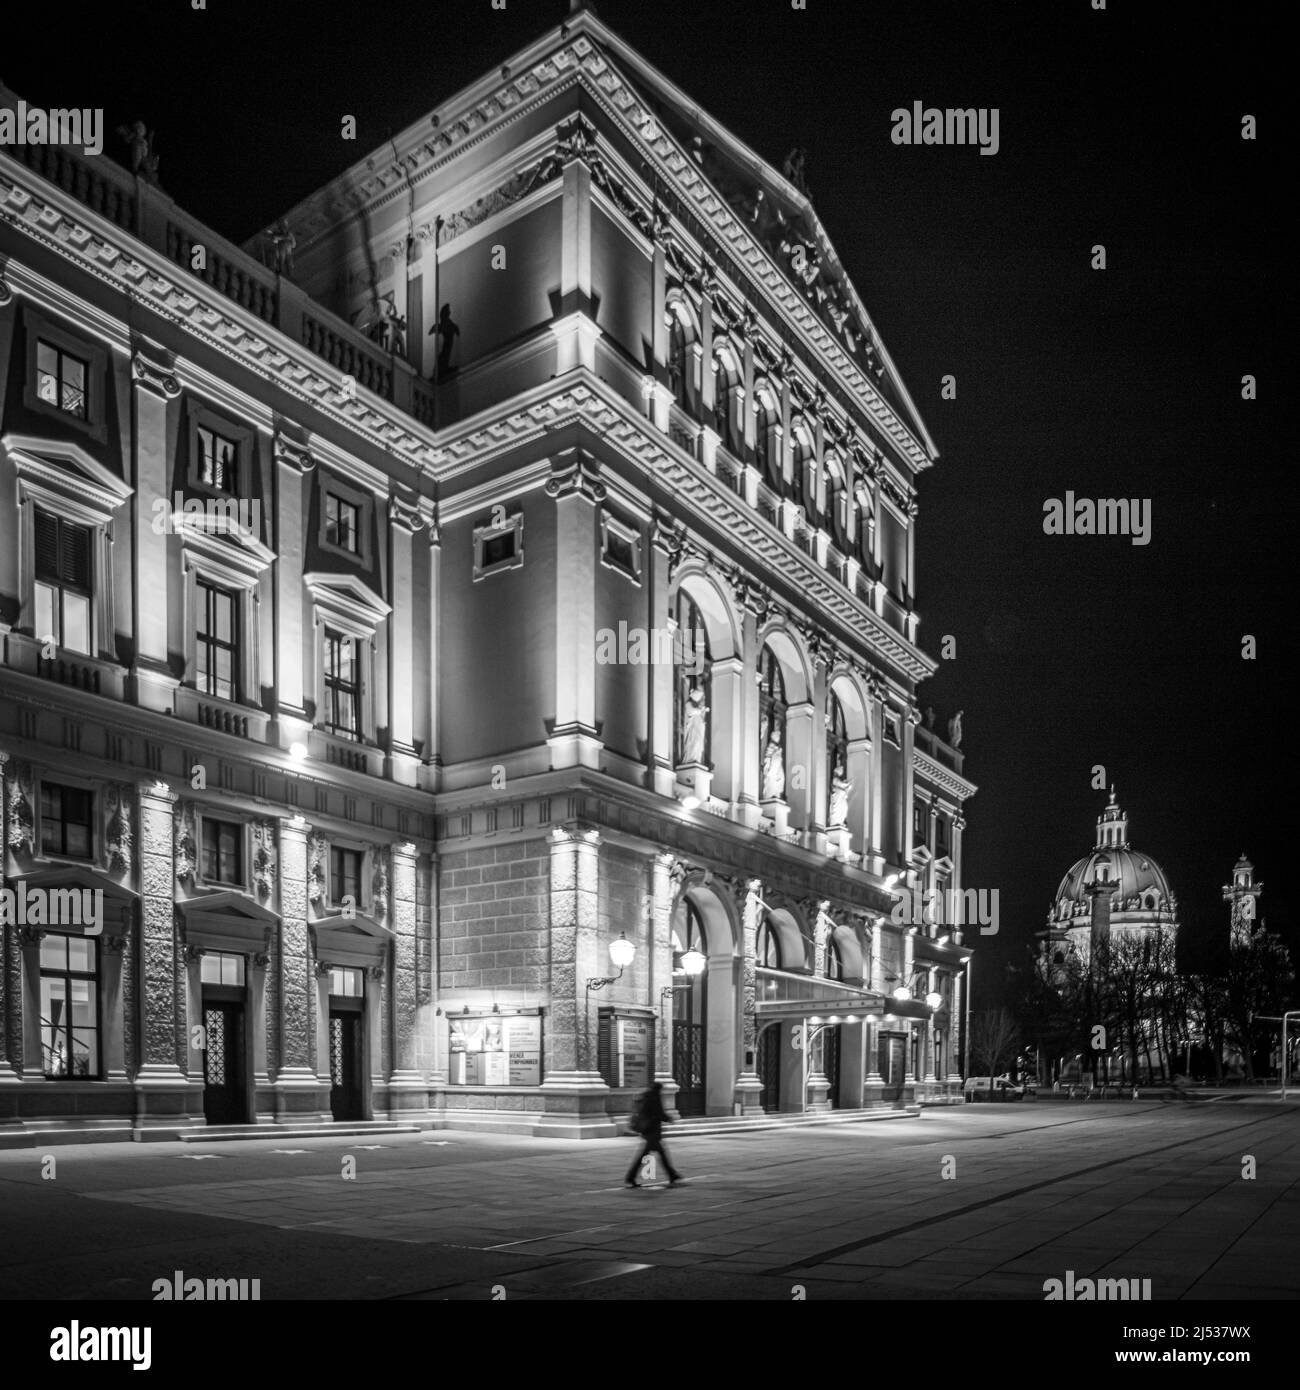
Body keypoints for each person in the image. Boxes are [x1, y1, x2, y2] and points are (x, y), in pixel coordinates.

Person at [625, 1081, 682, 1189]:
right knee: (649, 1155)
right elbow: (658, 1113)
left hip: (646, 1130)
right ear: (658, 1089)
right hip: (652, 1130)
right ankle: (630, 1177)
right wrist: (669, 1119)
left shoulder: (645, 1096)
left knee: (660, 1154)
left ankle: (672, 1175)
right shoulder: (654, 1097)